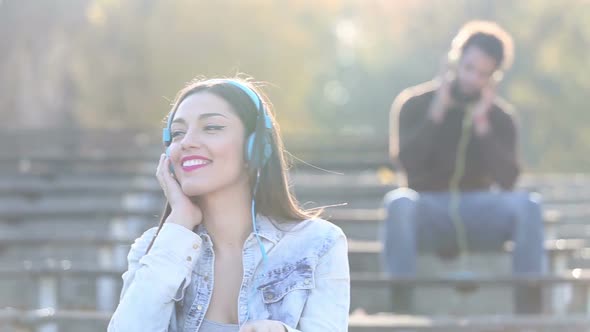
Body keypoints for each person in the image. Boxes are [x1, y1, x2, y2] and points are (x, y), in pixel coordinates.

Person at [108, 77, 350, 331]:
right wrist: (179, 220)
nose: (187, 141)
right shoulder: (155, 247)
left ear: (255, 147)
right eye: (178, 133)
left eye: (211, 127)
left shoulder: (318, 243)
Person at [383, 21, 546, 314]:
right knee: (398, 204)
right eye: (469, 67)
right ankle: (400, 307)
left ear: (494, 76)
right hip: (428, 210)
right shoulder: (413, 104)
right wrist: (436, 114)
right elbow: (406, 164)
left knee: (529, 206)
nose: (473, 79)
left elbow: (509, 180)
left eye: (483, 73)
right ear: (455, 60)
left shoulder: (501, 117)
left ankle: (530, 311)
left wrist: (483, 126)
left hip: (480, 212)